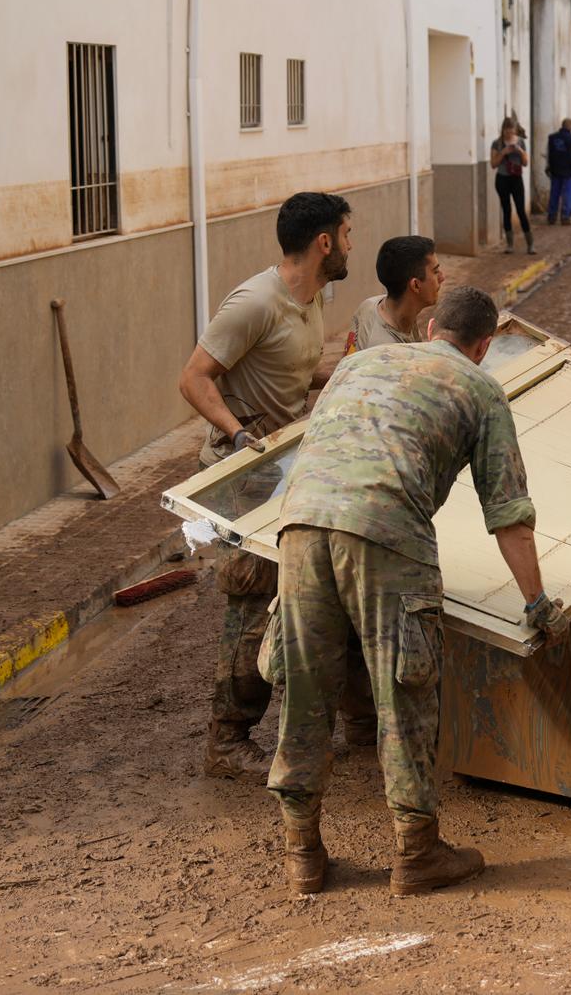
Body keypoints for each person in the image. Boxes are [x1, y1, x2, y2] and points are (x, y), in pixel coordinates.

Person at [266, 285, 570, 895]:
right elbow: (508, 512)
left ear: (431, 329)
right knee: (403, 692)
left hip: (300, 527)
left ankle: (301, 853)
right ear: (483, 346)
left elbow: (314, 451)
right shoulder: (481, 388)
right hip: (385, 534)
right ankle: (417, 853)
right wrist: (538, 604)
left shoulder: (356, 363)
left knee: (304, 689)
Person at [176, 191, 353, 781]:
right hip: (243, 480)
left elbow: (295, 374)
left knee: (298, 600)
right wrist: (236, 434)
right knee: (251, 605)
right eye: (347, 234)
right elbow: (194, 378)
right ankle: (225, 742)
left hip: (285, 472)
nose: (352, 244)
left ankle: (288, 727)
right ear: (324, 242)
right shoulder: (255, 302)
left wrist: (354, 374)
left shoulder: (313, 298)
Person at [347, 236, 444, 354]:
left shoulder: (371, 304)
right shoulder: (389, 352)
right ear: (416, 285)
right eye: (435, 272)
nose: (442, 278)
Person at [491, 117, 533, 255]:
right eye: (506, 131)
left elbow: (526, 162)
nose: (509, 134)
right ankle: (510, 245)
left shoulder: (521, 142)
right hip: (502, 179)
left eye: (511, 131)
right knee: (507, 210)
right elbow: (493, 164)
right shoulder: (497, 143)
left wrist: (519, 151)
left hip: (516, 179)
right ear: (503, 130)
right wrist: (503, 152)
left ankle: (530, 245)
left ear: (515, 130)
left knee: (521, 210)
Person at [544, 119, 571, 226]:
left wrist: (548, 166)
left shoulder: (551, 138)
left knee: (554, 192)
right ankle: (565, 217)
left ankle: (552, 216)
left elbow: (547, 153)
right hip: (568, 170)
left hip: (555, 169)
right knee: (568, 193)